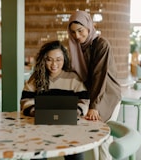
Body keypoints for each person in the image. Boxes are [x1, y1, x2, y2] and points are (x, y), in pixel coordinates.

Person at [20, 40, 89, 160]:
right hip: (39, 129)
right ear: (43, 60)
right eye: (49, 59)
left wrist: (75, 112)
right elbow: (25, 101)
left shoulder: (73, 78)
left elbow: (84, 101)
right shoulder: (35, 78)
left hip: (69, 129)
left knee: (76, 153)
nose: (54, 64)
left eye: (58, 59)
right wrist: (36, 112)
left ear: (64, 60)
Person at [67, 10, 121, 159]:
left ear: (89, 27)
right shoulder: (77, 49)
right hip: (92, 94)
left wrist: (94, 106)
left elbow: (99, 76)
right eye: (73, 32)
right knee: (92, 136)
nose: (77, 36)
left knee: (103, 137)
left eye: (80, 31)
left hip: (108, 94)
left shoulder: (102, 45)